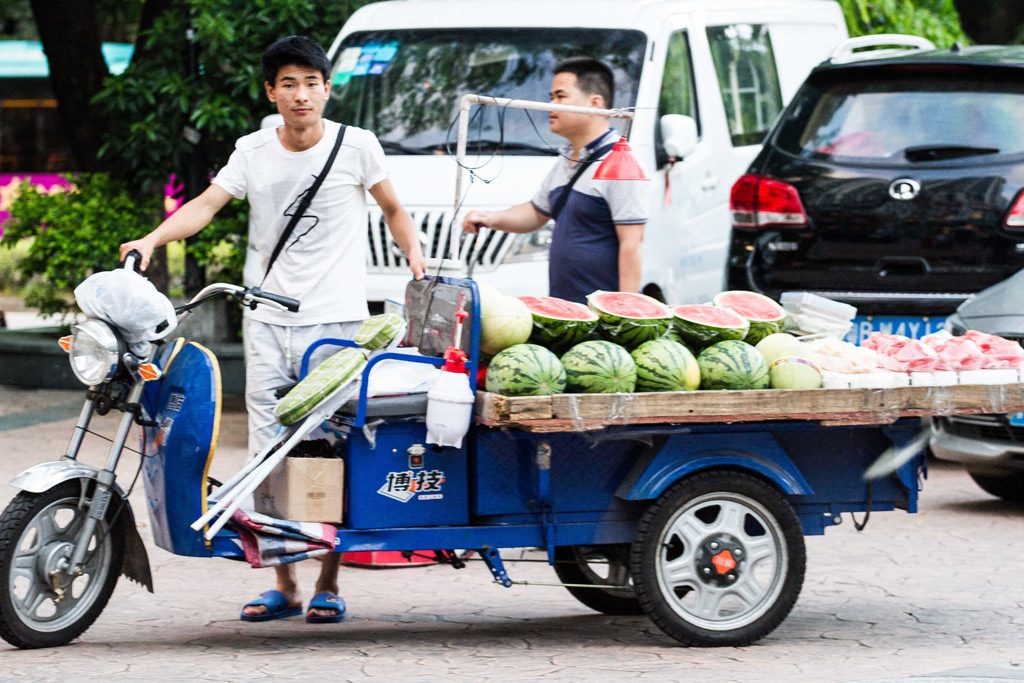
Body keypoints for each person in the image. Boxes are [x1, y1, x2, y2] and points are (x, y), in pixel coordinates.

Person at [119, 35, 425, 624]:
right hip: (265, 320)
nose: (301, 94)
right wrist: (153, 240)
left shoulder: (355, 146)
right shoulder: (253, 151)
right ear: (271, 91)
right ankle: (283, 583)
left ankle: (329, 583)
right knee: (265, 451)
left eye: (311, 83)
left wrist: (412, 252)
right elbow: (207, 204)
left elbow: (392, 207)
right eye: (289, 83)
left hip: (336, 323)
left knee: (327, 447)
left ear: (327, 88)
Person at [461, 57, 648, 303]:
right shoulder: (567, 159)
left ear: (595, 103)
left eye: (561, 96)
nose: (551, 105)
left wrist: (625, 310)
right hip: (567, 308)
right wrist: (489, 219)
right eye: (551, 97)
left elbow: (632, 244)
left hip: (602, 314)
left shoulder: (620, 163)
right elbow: (537, 212)